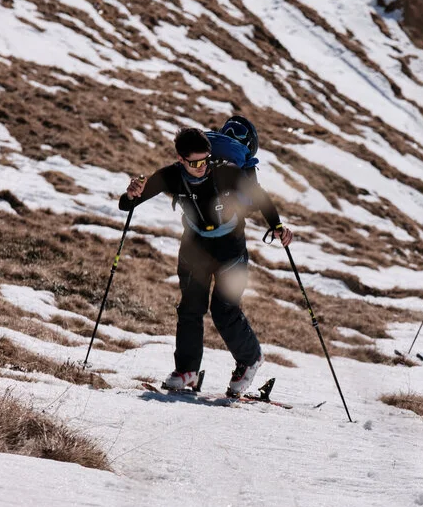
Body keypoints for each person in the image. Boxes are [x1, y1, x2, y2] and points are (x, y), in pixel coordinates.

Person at [119, 128, 293, 396]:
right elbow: (127, 205)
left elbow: (260, 197)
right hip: (195, 247)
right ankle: (186, 371)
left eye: (206, 160)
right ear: (181, 159)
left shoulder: (226, 173)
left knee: (224, 309)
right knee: (190, 307)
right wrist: (132, 194)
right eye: (195, 163)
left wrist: (278, 226)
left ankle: (250, 359)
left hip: (230, 247)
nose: (202, 167)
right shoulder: (170, 176)